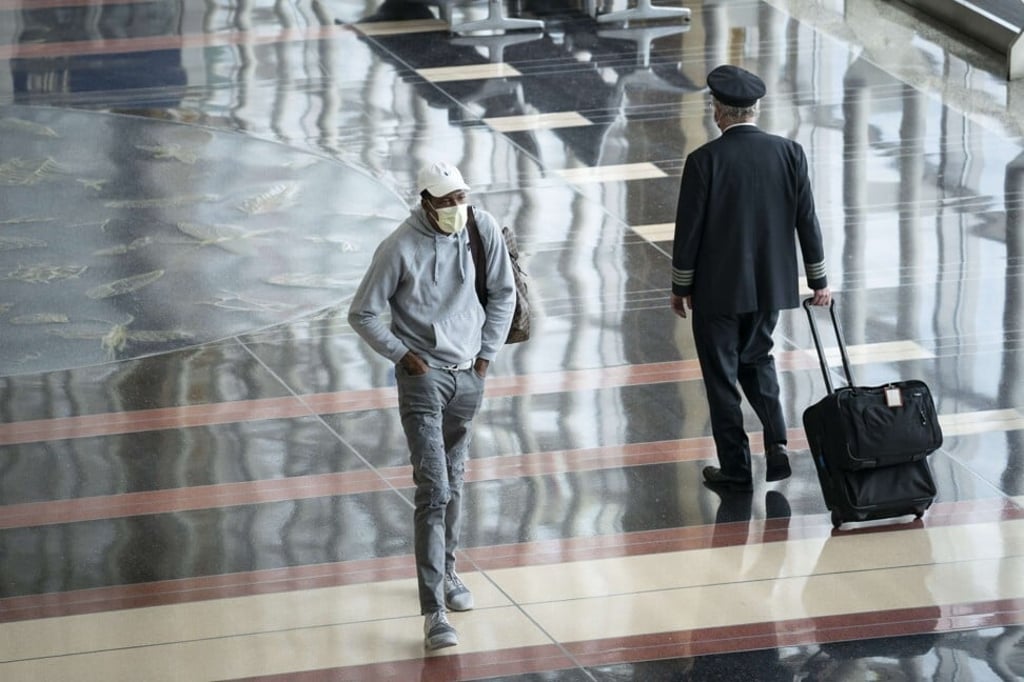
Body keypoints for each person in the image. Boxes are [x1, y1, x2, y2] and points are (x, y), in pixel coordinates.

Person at [348, 161, 516, 650]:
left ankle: (448, 572)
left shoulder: (480, 227)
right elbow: (362, 313)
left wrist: (485, 357)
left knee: (455, 479)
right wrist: (405, 356)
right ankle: (434, 613)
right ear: (425, 200)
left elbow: (503, 292)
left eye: (461, 196)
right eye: (445, 201)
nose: (456, 208)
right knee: (434, 488)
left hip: (469, 375)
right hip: (423, 380)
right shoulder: (398, 248)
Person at [670, 64, 832, 493]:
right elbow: (807, 222)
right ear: (756, 109)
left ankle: (736, 468)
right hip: (768, 290)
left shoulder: (704, 161)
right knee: (758, 360)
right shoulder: (790, 153)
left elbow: (689, 231)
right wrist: (819, 280)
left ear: (718, 111)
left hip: (716, 292)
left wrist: (680, 286)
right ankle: (776, 442)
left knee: (721, 376)